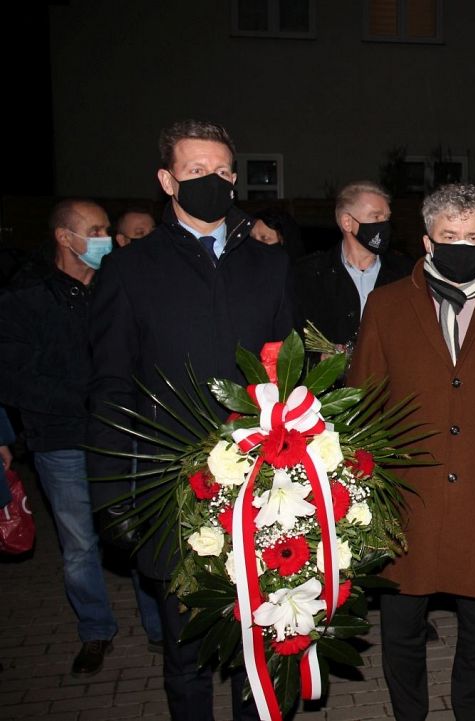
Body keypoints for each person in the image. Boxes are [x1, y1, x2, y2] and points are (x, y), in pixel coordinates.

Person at [87, 119, 294, 721]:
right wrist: (112, 495)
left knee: (259, 644)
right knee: (187, 657)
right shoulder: (131, 270)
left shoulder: (269, 265)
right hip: (172, 490)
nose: (213, 180)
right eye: (196, 170)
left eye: (223, 170)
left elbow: (292, 375)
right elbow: (110, 388)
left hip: (262, 486)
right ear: (167, 180)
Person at [347, 183, 475, 721]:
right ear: (427, 241)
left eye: (473, 237)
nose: (462, 246)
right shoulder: (387, 305)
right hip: (405, 496)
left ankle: (470, 713)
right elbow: (362, 404)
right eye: (450, 236)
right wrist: (356, 491)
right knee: (401, 625)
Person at [0, 199, 119, 676]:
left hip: (120, 434)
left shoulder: (117, 289)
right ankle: (95, 629)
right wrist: (86, 399)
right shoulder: (25, 299)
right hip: (62, 440)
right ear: (65, 238)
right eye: (96, 231)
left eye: (107, 229)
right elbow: (14, 378)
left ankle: (159, 626)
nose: (105, 239)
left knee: (136, 532)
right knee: (80, 544)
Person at [293, 181, 413, 349]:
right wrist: (320, 357)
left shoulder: (405, 272)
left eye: (387, 218)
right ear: (347, 222)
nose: (384, 225)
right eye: (376, 217)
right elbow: (295, 337)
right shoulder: (310, 274)